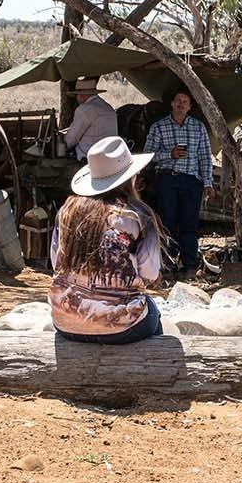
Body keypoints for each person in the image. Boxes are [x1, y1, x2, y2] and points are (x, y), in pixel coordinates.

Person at [49, 137, 164, 343]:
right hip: (121, 326)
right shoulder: (139, 216)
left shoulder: (67, 212)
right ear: (130, 177)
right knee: (153, 312)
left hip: (65, 319)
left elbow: (56, 261)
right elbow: (149, 272)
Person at [144, 89, 212, 275]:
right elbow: (147, 155)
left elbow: (205, 156)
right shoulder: (159, 127)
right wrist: (169, 154)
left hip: (191, 181)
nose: (181, 104)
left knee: (190, 224)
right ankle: (167, 265)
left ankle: (189, 265)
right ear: (172, 103)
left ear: (190, 107)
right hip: (168, 179)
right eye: (178, 101)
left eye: (185, 102)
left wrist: (207, 182)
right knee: (167, 223)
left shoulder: (198, 127)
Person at [58, 77, 119, 160]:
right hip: (111, 153)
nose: (77, 98)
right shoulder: (108, 107)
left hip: (89, 156)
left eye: (77, 95)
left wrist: (61, 144)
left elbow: (71, 139)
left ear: (81, 95)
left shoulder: (84, 109)